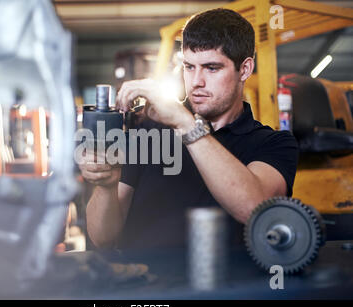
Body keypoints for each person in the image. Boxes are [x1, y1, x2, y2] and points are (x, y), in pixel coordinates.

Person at [79, 8, 299, 249]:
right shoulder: (148, 131)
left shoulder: (274, 143)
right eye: (189, 67)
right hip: (145, 282)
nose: (196, 82)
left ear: (244, 69)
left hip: (229, 285)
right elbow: (102, 238)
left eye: (212, 68)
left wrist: (185, 124)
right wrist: (106, 188)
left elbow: (254, 209)